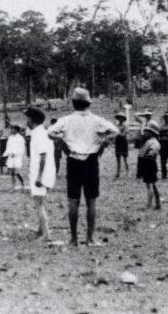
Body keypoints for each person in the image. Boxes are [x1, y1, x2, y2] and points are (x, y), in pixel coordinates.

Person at [47, 87, 118, 247]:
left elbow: (50, 132)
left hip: (73, 160)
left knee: (73, 200)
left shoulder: (66, 120)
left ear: (73, 103)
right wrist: (102, 140)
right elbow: (115, 131)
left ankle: (73, 239)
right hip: (91, 160)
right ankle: (90, 238)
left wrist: (62, 140)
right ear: (88, 103)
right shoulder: (97, 120)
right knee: (91, 201)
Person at [25, 106, 56, 243]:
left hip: (42, 174)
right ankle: (40, 229)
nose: (26, 121)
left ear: (32, 119)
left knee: (39, 204)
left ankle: (47, 235)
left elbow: (43, 156)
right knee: (40, 202)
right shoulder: (41, 132)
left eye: (27, 118)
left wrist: (38, 176)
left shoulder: (40, 134)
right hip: (44, 173)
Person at [137, 120, 161, 209]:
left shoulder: (154, 142)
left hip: (149, 164)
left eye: (147, 131)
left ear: (152, 133)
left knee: (149, 185)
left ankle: (148, 205)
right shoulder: (150, 141)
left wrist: (149, 154)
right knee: (153, 184)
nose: (145, 133)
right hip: (149, 163)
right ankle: (158, 203)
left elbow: (153, 152)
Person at [3, 124, 26, 189]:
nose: (11, 130)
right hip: (11, 156)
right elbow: (8, 147)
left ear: (16, 130)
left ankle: (22, 183)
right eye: (11, 128)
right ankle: (13, 186)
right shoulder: (10, 137)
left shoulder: (20, 138)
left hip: (17, 157)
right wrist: (4, 155)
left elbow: (22, 148)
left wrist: (15, 153)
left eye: (13, 128)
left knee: (16, 172)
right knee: (12, 172)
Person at [113, 112, 129, 179]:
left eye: (121, 118)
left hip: (123, 143)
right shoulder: (116, 126)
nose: (120, 119)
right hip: (118, 143)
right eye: (119, 118)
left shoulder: (125, 126)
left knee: (125, 158)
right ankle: (118, 172)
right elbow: (114, 135)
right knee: (118, 158)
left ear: (123, 119)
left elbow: (123, 134)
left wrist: (117, 132)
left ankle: (127, 171)